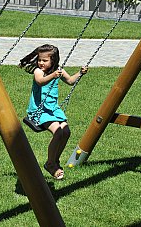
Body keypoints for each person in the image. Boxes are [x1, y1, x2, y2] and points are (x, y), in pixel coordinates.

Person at [19, 44, 88, 180]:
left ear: (53, 60)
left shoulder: (58, 70)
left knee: (66, 131)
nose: (41, 63)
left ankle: (55, 161)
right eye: (40, 60)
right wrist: (53, 75)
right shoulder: (38, 71)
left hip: (53, 109)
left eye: (45, 60)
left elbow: (70, 81)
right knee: (57, 130)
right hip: (39, 111)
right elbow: (40, 82)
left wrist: (80, 73)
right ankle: (50, 164)